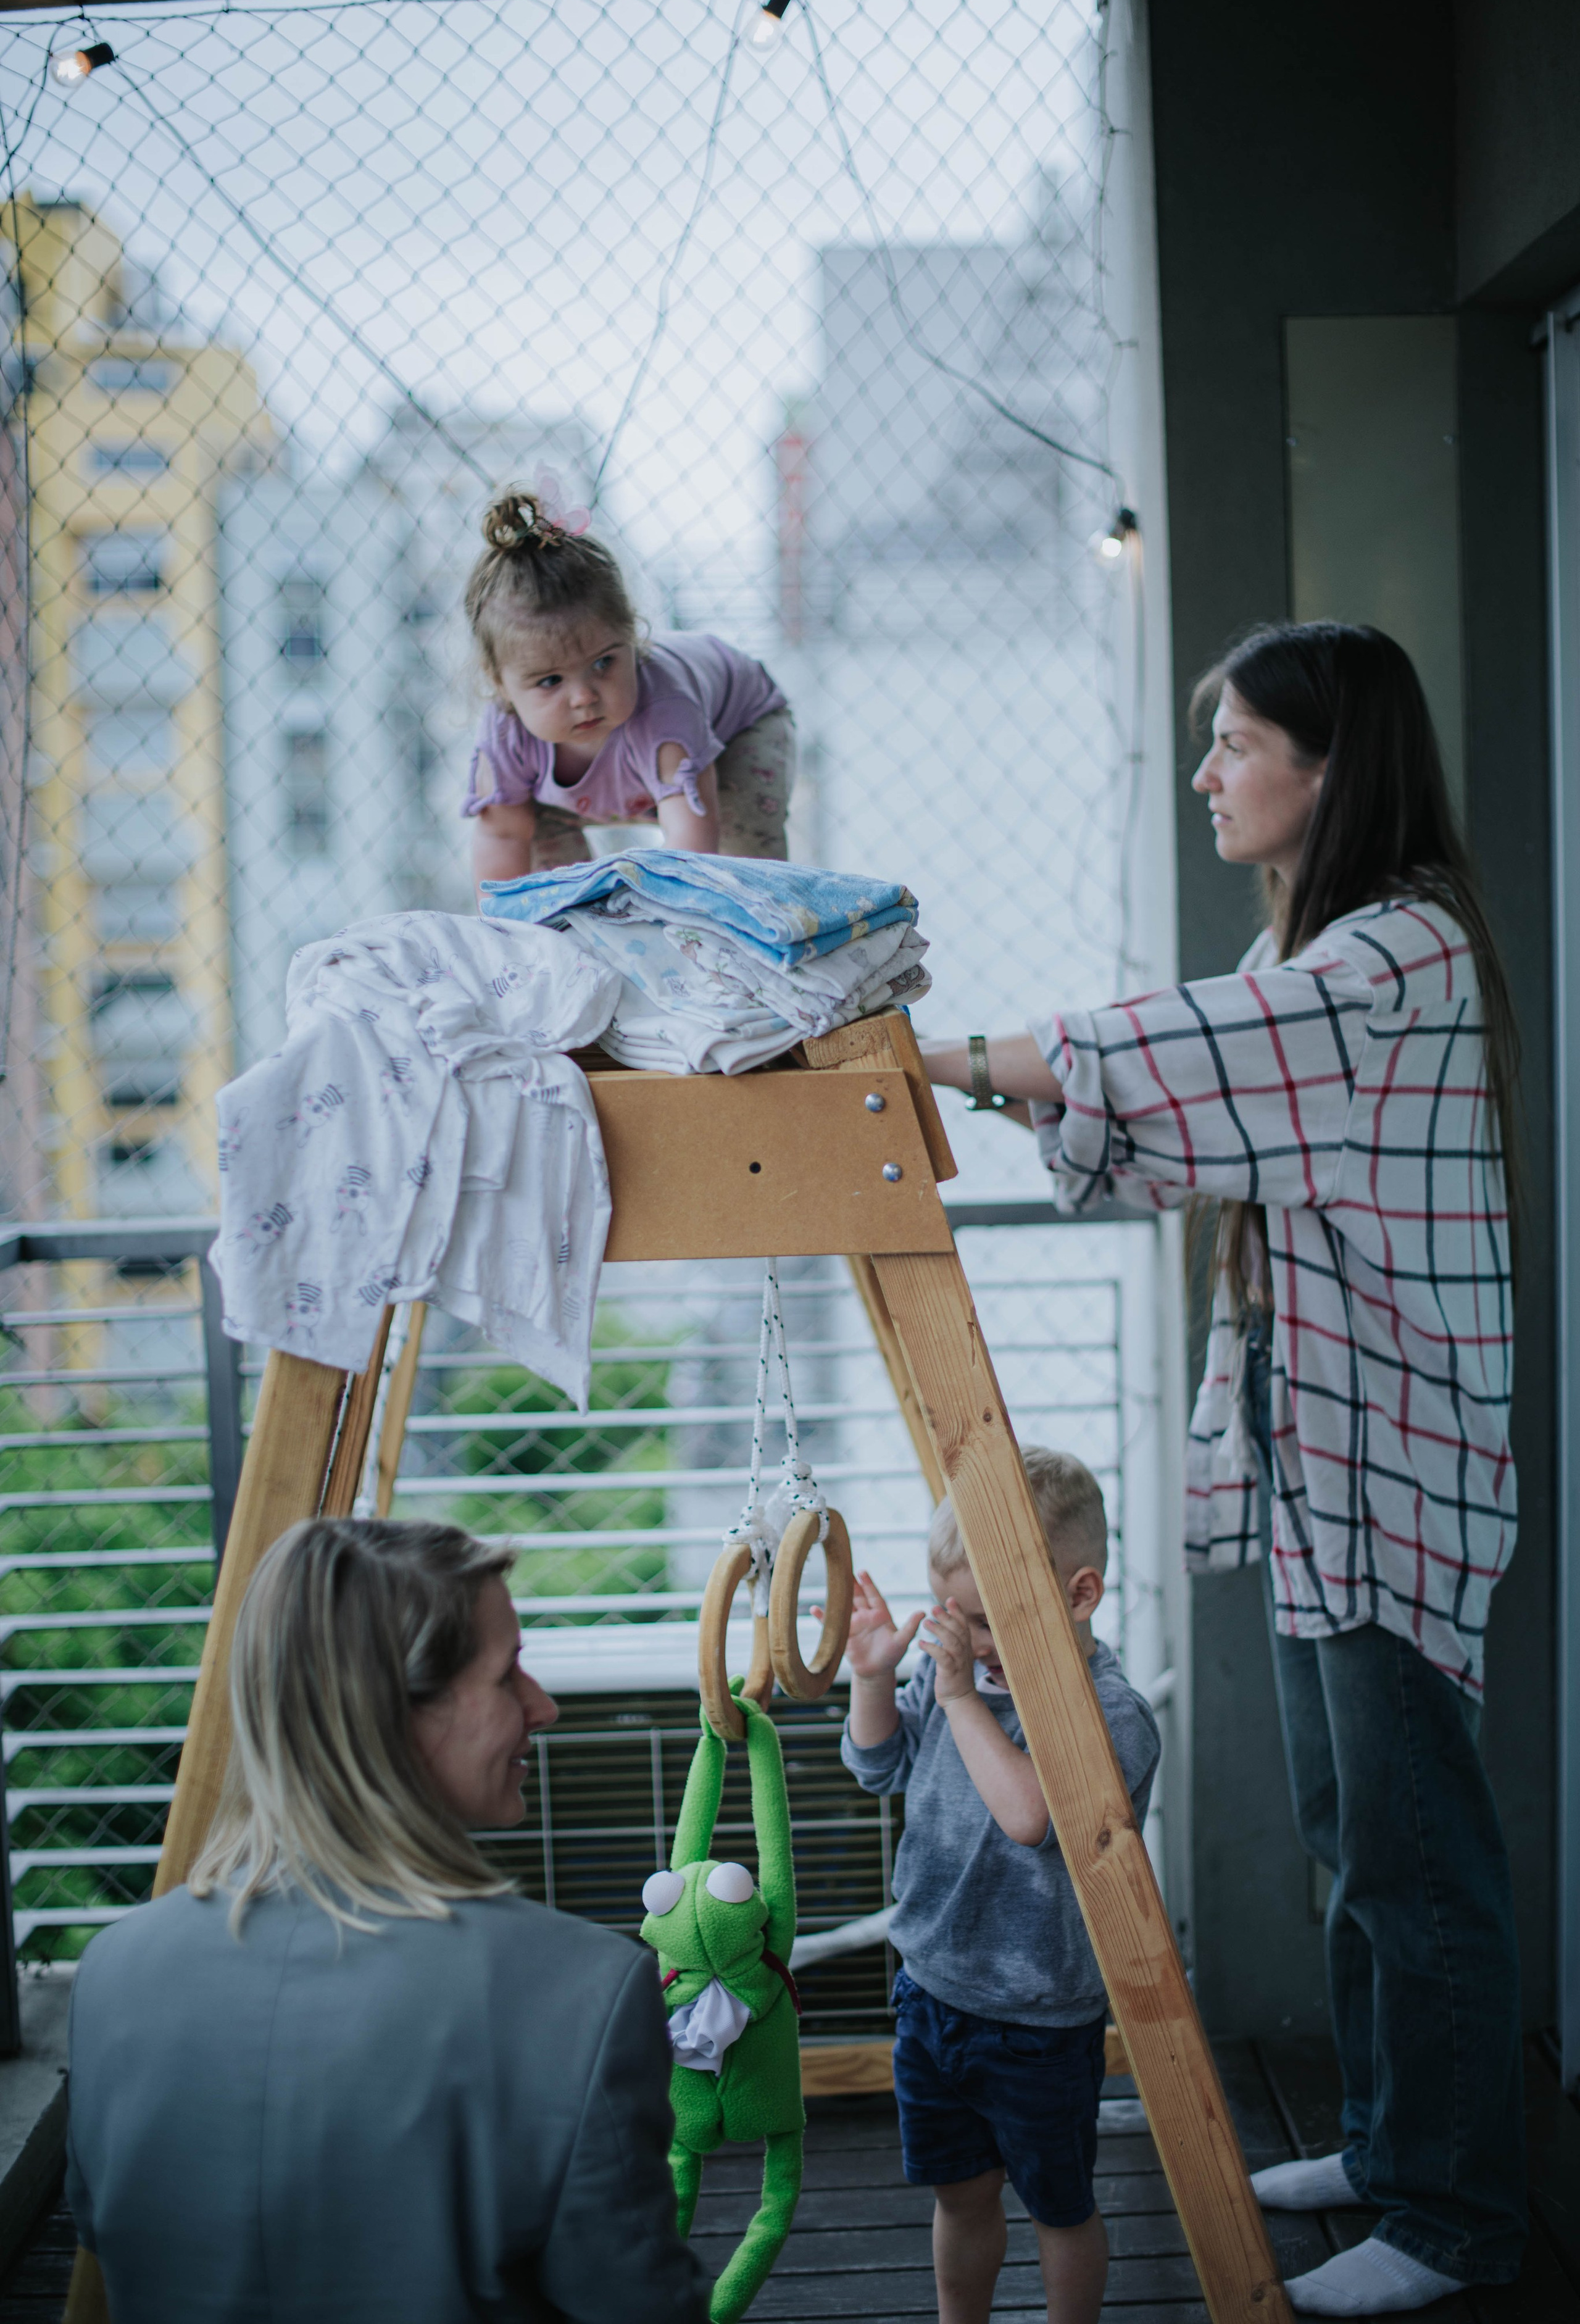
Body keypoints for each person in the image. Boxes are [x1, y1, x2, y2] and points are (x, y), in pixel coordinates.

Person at [921, 623, 1525, 2317]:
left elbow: (1180, 1050)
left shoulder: (1390, 954)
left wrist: (947, 1059)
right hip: (1328, 1460)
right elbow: (1186, 1117)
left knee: (1416, 1856)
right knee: (1354, 1828)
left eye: (1238, 742)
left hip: (1389, 1472)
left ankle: (1457, 2217)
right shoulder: (1326, 948)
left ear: (1329, 770)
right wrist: (999, 1083)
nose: (1207, 775)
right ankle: (1396, 2146)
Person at [64, 1516, 710, 2324]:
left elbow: (109, 2236)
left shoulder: (112, 1972)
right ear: (389, 1710)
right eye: (507, 1673)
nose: (543, 1706)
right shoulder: (583, 1992)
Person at [839, 1446, 1159, 2324]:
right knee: (960, 2194)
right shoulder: (956, 1673)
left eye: (987, 1620)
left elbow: (1031, 1817)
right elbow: (877, 1765)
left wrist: (962, 1700)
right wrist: (872, 1675)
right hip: (932, 1993)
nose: (970, 1644)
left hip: (1039, 2019)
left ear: (1079, 1594)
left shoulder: (1111, 1713)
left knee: (1060, 2204)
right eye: (955, 1616)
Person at [461, 485, 796, 880]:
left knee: (743, 855)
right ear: (500, 683)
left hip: (740, 727)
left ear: (633, 639)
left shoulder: (666, 711)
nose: (584, 697)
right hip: (608, 787)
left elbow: (693, 848)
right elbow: (501, 837)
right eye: (550, 681)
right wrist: (501, 917)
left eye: (603, 662)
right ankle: (565, 913)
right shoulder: (505, 737)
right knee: (526, 826)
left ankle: (759, 912)